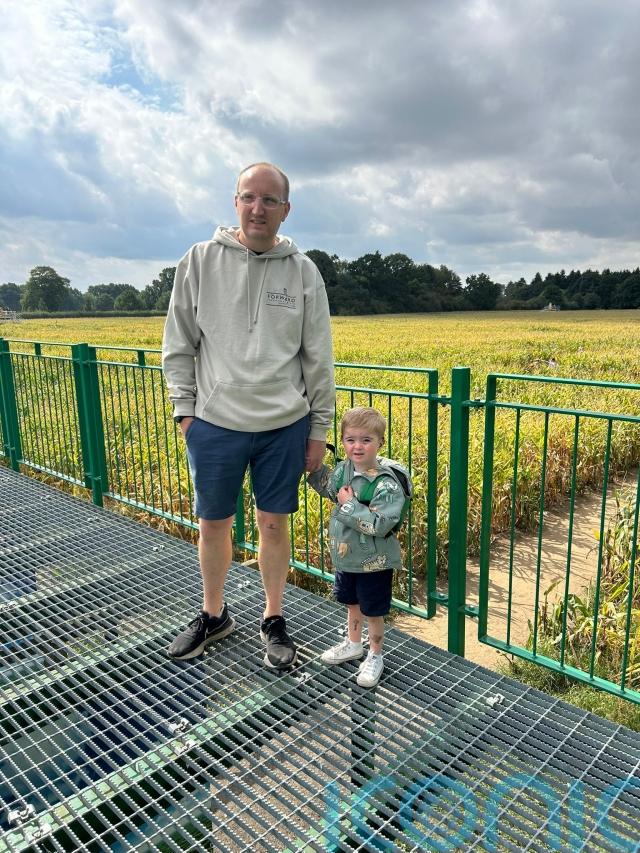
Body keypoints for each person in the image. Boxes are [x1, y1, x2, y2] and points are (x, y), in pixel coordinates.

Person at [162, 162, 335, 669]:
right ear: (236, 202)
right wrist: (186, 414)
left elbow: (318, 358)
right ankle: (213, 614)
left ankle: (273, 617)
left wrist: (318, 430)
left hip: (284, 425)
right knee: (213, 525)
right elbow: (178, 343)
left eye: (270, 200)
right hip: (214, 424)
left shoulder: (303, 271)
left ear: (286, 209)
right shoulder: (199, 260)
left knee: (273, 525)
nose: (258, 208)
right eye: (249, 197)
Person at [307, 407, 409, 688]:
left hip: (374, 562)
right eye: (350, 440)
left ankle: (375, 654)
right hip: (347, 558)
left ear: (380, 442)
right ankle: (353, 644)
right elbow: (331, 489)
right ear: (342, 441)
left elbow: (381, 525)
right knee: (352, 603)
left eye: (366, 440)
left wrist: (349, 505)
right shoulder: (344, 470)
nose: (357, 446)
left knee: (373, 611)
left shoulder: (386, 484)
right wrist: (314, 469)